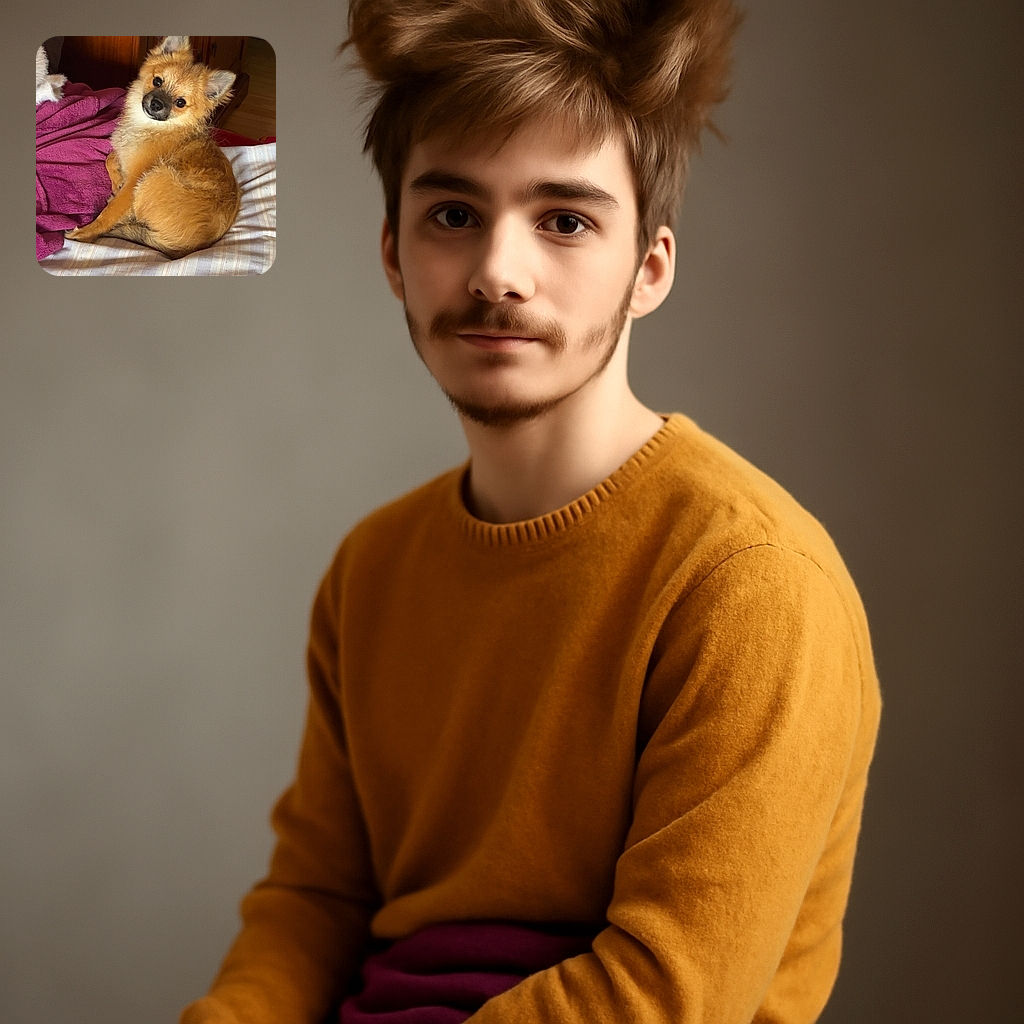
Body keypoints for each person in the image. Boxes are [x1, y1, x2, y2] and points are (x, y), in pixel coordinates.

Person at [181, 1, 881, 1021]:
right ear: (393, 253)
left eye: (565, 220)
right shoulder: (373, 570)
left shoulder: (753, 582)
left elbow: (665, 993)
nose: (497, 274)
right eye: (453, 215)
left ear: (649, 269)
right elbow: (315, 905)